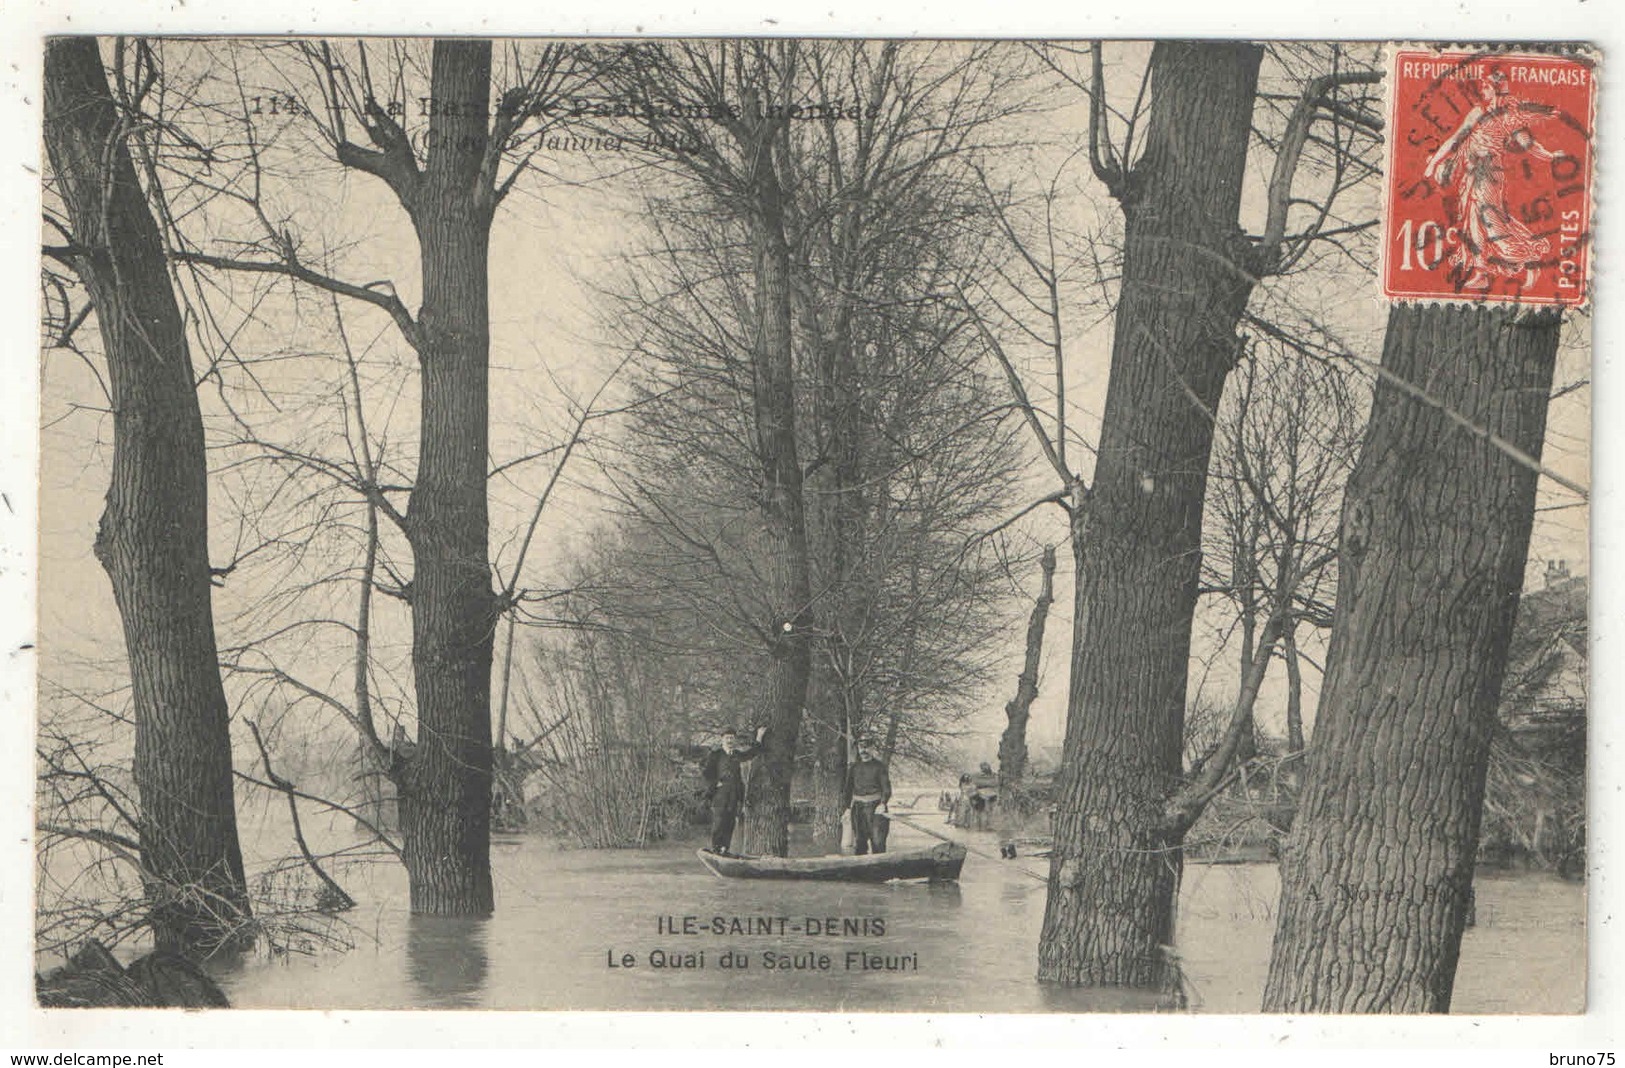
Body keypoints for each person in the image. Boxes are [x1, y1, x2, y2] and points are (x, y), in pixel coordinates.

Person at [701, 726, 766, 855]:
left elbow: (750, 754)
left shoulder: (736, 754)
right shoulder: (716, 754)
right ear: (722, 739)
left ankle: (725, 849)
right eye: (727, 738)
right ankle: (716, 848)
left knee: (730, 822)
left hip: (734, 794)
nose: (729, 740)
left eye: (732, 738)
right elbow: (706, 772)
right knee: (719, 821)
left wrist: (759, 737)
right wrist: (715, 784)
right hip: (720, 795)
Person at [845, 743, 893, 855]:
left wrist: (883, 804)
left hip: (876, 809)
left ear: (872, 749)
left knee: (878, 843)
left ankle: (880, 871)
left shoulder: (880, 767)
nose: (864, 750)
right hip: (858, 809)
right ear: (858, 749)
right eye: (861, 747)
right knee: (860, 843)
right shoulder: (854, 767)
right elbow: (848, 789)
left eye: (867, 747)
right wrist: (847, 808)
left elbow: (886, 788)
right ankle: (861, 872)